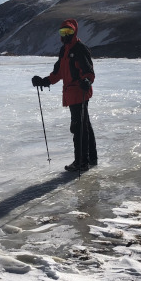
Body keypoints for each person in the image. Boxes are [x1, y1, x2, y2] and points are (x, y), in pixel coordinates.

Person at [32, 19, 98, 172]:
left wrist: (87, 81)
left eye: (69, 32)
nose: (66, 35)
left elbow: (89, 72)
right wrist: (43, 81)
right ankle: (91, 158)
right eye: (63, 32)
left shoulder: (80, 49)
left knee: (78, 127)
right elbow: (58, 73)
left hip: (80, 93)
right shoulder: (64, 50)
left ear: (74, 32)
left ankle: (81, 162)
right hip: (71, 93)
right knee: (84, 125)